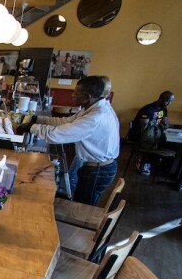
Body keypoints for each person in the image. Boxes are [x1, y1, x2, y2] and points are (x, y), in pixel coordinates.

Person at [22, 76, 120, 205]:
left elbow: (57, 135)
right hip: (96, 167)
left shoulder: (95, 117)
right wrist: (37, 119)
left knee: (82, 208)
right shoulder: (94, 107)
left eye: (77, 93)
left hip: (97, 171)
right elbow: (67, 122)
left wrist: (31, 127)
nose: (73, 96)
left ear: (88, 96)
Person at [131, 90, 174, 175]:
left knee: (170, 144)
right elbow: (144, 129)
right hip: (142, 136)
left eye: (171, 101)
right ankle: (144, 162)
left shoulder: (163, 109)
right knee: (161, 142)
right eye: (167, 101)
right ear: (160, 99)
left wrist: (165, 124)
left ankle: (161, 165)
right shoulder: (148, 109)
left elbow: (166, 124)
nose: (169, 103)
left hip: (155, 134)